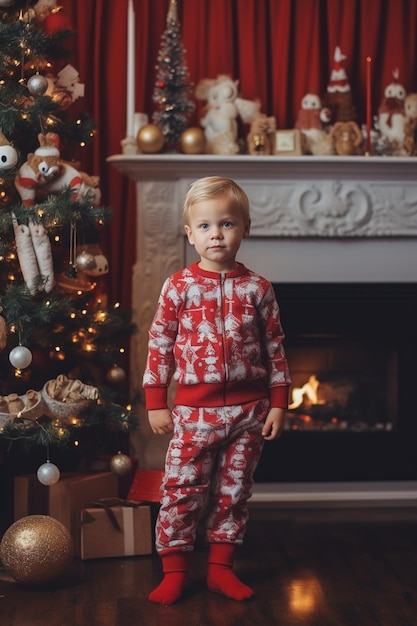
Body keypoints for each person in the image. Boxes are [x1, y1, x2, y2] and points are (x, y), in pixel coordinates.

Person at [143, 176, 291, 605]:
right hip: (193, 414)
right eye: (205, 226)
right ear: (189, 234)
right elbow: (160, 344)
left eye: (227, 224)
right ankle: (174, 571)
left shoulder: (258, 289)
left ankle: (221, 569)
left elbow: (276, 349)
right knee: (182, 490)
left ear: (245, 227)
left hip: (250, 412)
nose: (216, 234)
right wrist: (156, 402)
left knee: (234, 491)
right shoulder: (178, 287)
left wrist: (279, 403)